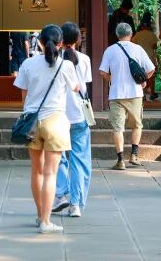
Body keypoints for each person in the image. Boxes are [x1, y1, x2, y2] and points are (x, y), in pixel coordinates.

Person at [14, 24, 79, 234]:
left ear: (40, 41)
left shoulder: (28, 64)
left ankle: (40, 214)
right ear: (61, 43)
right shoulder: (65, 65)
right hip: (56, 120)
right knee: (51, 173)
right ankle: (45, 221)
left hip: (32, 122)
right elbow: (76, 87)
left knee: (37, 171)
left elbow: (24, 95)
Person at [99, 22, 155, 170]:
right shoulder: (138, 49)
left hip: (116, 94)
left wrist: (113, 79)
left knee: (118, 128)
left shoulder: (110, 50)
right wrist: (143, 81)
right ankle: (134, 156)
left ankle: (120, 161)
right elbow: (151, 69)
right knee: (137, 125)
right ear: (131, 34)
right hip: (135, 94)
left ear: (117, 35)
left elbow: (102, 72)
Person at [52, 22, 93, 218]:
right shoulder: (84, 59)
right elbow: (84, 86)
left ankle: (61, 194)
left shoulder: (53, 59)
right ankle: (76, 204)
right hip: (78, 115)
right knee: (79, 160)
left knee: (58, 156)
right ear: (78, 39)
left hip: (57, 114)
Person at [133, 12, 160, 101]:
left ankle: (143, 94)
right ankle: (152, 93)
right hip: (150, 57)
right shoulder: (152, 35)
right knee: (151, 76)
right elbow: (155, 47)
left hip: (140, 58)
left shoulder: (138, 35)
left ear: (141, 26)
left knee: (141, 76)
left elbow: (133, 43)